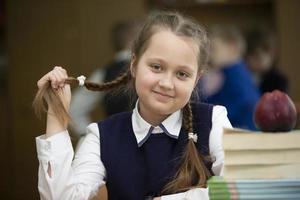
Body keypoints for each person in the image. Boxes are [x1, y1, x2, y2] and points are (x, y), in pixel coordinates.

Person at [34, 11, 232, 200]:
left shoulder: (213, 120)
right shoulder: (101, 136)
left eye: (182, 74)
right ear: (134, 65)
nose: (166, 83)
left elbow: (240, 188)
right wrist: (56, 115)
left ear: (196, 80)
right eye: (156, 67)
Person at [70, 20, 139, 135]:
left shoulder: (103, 74)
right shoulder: (150, 71)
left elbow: (73, 110)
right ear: (135, 40)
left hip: (115, 145)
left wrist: (97, 138)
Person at [200, 25, 260, 130]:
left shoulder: (235, 74)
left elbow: (233, 106)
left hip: (241, 131)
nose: (209, 54)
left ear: (231, 47)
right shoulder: (234, 72)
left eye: (214, 49)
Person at [245, 28, 289, 94]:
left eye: (257, 57)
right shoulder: (242, 77)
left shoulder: (279, 80)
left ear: (272, 54)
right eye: (251, 55)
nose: (253, 61)